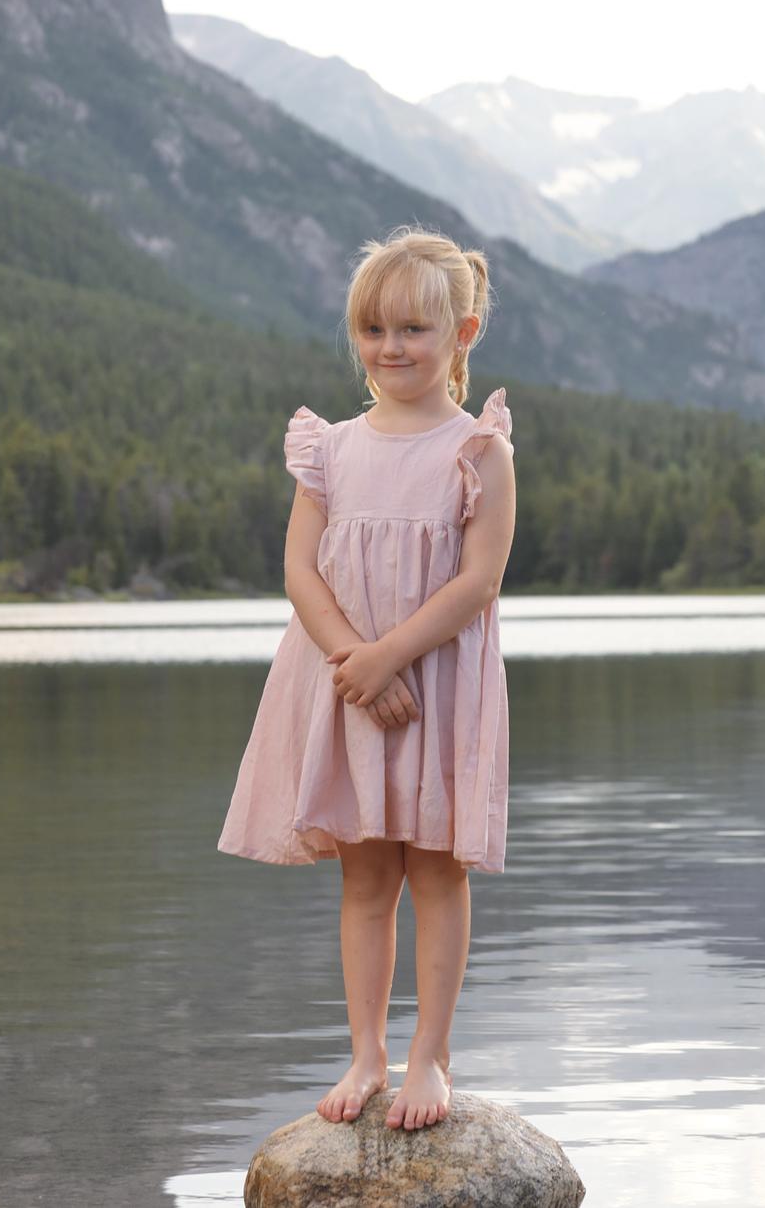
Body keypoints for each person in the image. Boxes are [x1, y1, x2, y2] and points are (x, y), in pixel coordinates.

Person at [217, 225, 517, 1133]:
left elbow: (479, 582)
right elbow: (300, 571)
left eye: (414, 330)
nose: (392, 348)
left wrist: (390, 657)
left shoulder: (480, 450)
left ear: (462, 334)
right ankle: (366, 1053)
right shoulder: (330, 449)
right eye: (373, 330)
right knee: (365, 878)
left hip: (435, 689)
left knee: (437, 873)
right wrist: (355, 659)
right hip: (346, 686)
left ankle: (431, 1056)